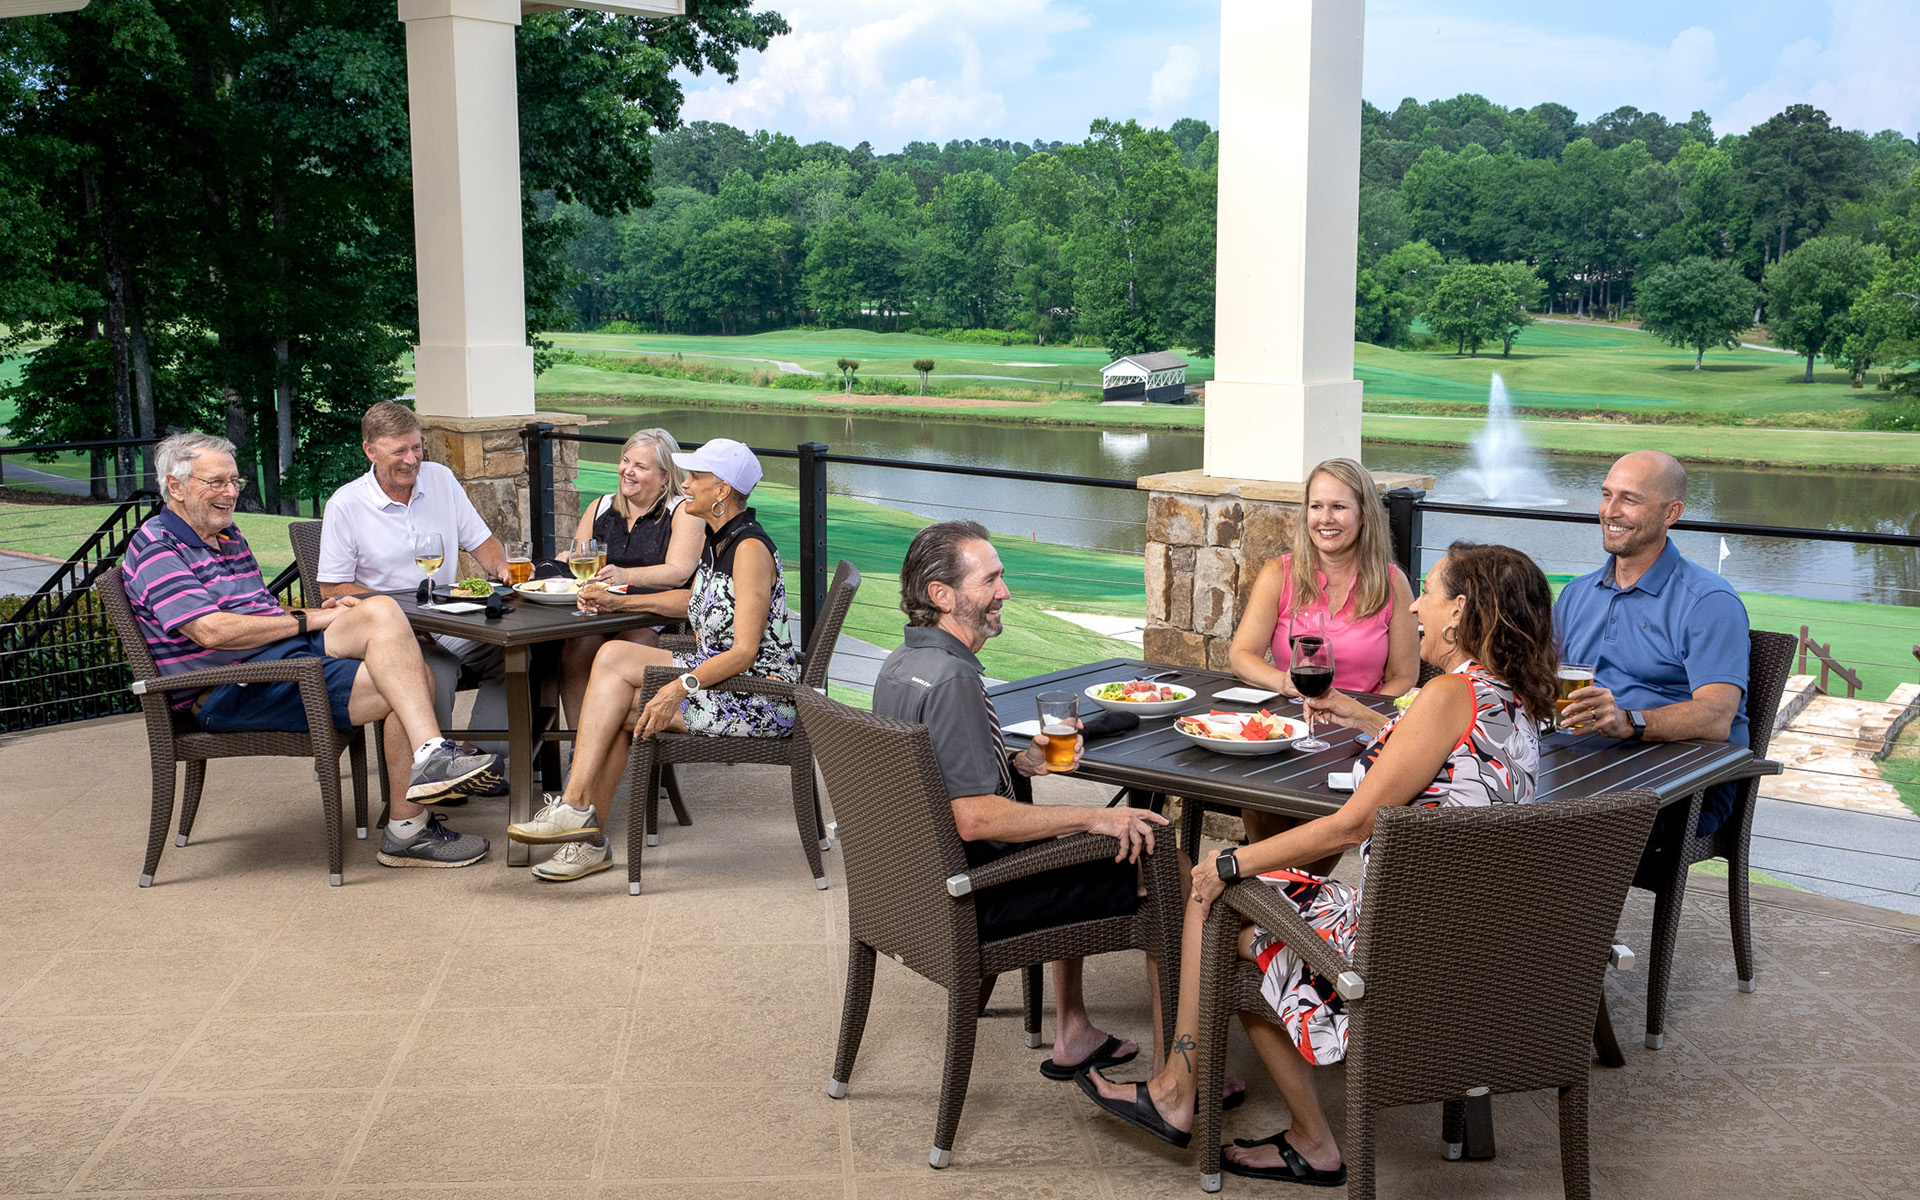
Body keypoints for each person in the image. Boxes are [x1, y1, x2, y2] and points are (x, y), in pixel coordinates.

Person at [1078, 542, 1557, 1185]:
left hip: (1397, 940)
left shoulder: (1449, 693)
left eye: (1429, 593)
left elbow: (1353, 822)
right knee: (1250, 907)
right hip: (1464, 934)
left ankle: (1182, 1096)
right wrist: (1362, 714)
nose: (1415, 607)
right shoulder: (1513, 700)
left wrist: (1231, 863)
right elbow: (1443, 761)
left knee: (1214, 901)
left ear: (1460, 612)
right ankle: (1242, 1111)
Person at [871, 519, 1178, 1082]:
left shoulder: (901, 665)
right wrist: (1097, 816)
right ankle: (1177, 1074)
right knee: (1163, 862)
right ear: (942, 595)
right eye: (990, 580)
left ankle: (1074, 1030)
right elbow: (974, 818)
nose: (1005, 592)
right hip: (979, 896)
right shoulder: (954, 682)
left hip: (919, 890)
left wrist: (1017, 763)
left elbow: (941, 780)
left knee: (1068, 835)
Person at [121, 431, 497, 868]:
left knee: (380, 610)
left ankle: (431, 754)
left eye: (235, 481)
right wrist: (309, 620)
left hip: (276, 656)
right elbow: (212, 632)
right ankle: (408, 828)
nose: (231, 492)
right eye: (216, 482)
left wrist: (317, 613)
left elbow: (258, 611)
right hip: (229, 688)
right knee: (411, 682)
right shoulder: (156, 547)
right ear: (176, 486)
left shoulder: (226, 535)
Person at [501, 438, 802, 882]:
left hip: (756, 698)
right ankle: (576, 812)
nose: (686, 484)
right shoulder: (720, 539)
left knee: (621, 708)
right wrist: (618, 603)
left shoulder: (750, 550)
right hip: (718, 681)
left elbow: (744, 652)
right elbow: (692, 600)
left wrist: (677, 688)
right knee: (612, 656)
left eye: (695, 477)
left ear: (722, 490)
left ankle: (583, 831)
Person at [1555, 449, 1751, 844]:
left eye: (1629, 499)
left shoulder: (1707, 601)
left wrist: (1629, 721)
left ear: (1671, 513)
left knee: (1562, 831)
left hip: (1686, 782)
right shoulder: (1577, 593)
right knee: (1478, 796)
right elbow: (1540, 678)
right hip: (1587, 762)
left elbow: (1716, 716)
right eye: (1606, 495)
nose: (1610, 511)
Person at [316, 401, 510, 793]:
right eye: (399, 451)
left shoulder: (440, 479)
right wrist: (397, 612)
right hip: (391, 635)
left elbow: (481, 541)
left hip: (451, 619)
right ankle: (434, 775)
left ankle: (477, 760)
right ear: (370, 451)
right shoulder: (346, 504)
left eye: (417, 448)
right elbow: (332, 589)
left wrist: (504, 568)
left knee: (518, 655)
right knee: (435, 671)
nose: (412, 460)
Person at [1228, 457, 1418, 845]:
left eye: (1339, 507)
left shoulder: (1392, 583)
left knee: (1333, 820)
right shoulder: (1279, 573)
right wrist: (1283, 682)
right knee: (1260, 797)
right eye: (1316, 506)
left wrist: (1359, 717)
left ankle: (1265, 877)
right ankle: (1271, 876)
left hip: (1356, 738)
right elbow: (1241, 655)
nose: (1325, 519)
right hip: (1287, 729)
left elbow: (1404, 676)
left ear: (1364, 515)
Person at [560, 427, 706, 727]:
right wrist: (564, 560)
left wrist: (624, 575)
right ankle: (580, 743)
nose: (628, 471)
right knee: (576, 649)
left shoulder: (682, 511)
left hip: (653, 617)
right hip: (599, 614)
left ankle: (623, 742)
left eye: (640, 466)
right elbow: (577, 558)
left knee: (632, 645)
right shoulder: (600, 507)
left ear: (665, 476)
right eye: (625, 461)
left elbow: (678, 571)